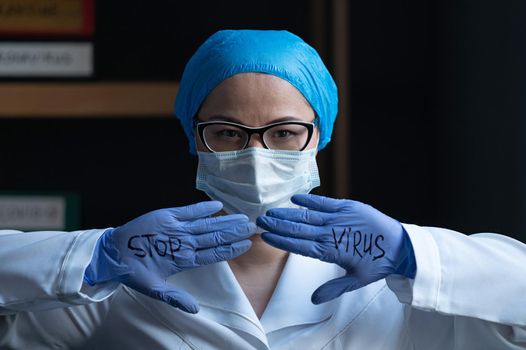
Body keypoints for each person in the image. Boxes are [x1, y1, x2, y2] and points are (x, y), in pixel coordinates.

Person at [1, 30, 525, 350]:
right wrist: (93, 257)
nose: (256, 155)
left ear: (319, 136)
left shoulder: (394, 289)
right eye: (227, 132)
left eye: (284, 133)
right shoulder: (121, 282)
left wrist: (416, 256)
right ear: (195, 137)